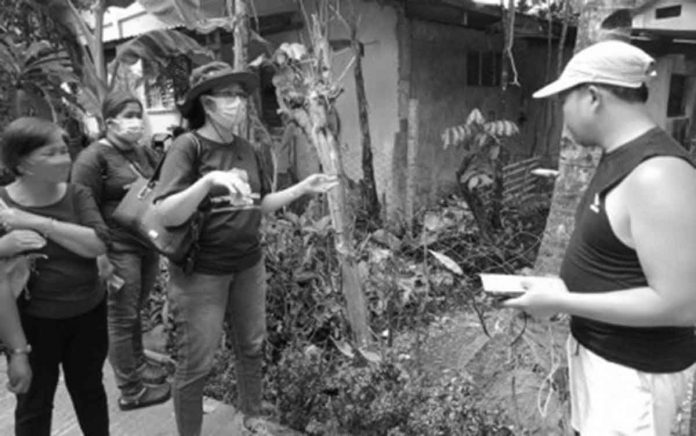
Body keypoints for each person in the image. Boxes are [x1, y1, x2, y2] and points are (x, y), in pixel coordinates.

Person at [504, 40, 696, 435]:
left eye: (563, 99)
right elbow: (620, 263)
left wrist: (561, 300)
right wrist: (558, 288)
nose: (560, 112)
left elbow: (681, 305)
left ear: (592, 96)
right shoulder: (619, 157)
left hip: (635, 377)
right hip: (606, 366)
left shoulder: (657, 173)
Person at [153, 61, 338, 436]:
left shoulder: (247, 149)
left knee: (251, 346)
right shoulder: (186, 147)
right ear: (207, 104)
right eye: (228, 96)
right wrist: (207, 182)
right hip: (201, 272)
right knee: (196, 364)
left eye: (240, 95)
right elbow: (167, 214)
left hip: (248, 266)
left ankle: (253, 419)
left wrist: (301, 188)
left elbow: (259, 202)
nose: (238, 103)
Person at [0, 117, 111, 435]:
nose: (64, 159)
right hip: (34, 325)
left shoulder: (77, 195)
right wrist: (17, 351)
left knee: (90, 393)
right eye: (50, 153)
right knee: (34, 405)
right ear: (22, 163)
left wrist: (34, 222)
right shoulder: (2, 204)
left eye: (64, 150)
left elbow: (97, 243)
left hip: (88, 314)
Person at [71, 91, 171, 411]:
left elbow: (161, 182)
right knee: (120, 316)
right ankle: (131, 389)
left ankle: (139, 365)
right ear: (109, 121)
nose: (136, 121)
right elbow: (81, 205)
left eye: (138, 114)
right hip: (116, 248)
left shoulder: (141, 152)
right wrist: (99, 256)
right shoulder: (92, 158)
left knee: (133, 312)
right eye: (128, 114)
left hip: (145, 241)